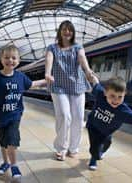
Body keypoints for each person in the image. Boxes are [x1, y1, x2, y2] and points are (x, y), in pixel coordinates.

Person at [0, 45, 46, 179]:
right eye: (7, 57)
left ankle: (14, 165)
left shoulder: (20, 77)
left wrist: (46, 81)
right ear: (1, 59)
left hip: (14, 116)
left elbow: (32, 84)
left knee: (12, 139)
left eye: (13, 58)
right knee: (3, 142)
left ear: (18, 60)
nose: (10, 60)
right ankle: (5, 163)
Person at [45, 20, 93, 161]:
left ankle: (73, 148)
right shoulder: (52, 47)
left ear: (73, 33)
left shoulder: (78, 47)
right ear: (60, 31)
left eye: (70, 30)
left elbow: (83, 59)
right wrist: (48, 73)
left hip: (77, 85)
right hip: (58, 86)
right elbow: (49, 60)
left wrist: (88, 71)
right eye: (64, 29)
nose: (67, 32)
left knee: (78, 117)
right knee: (65, 116)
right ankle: (61, 148)